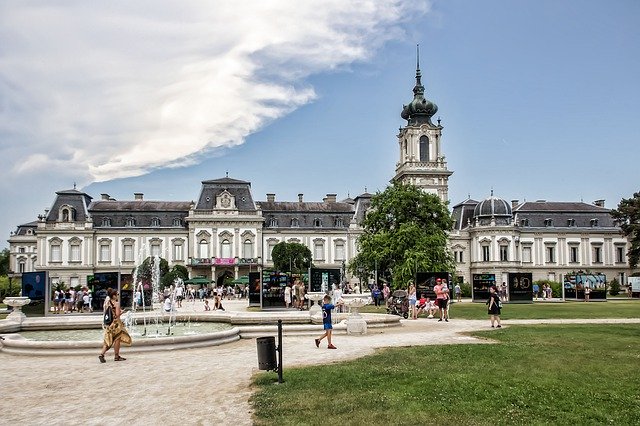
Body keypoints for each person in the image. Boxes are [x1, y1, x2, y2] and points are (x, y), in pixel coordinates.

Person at [99, 288, 132, 363]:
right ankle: (116, 356)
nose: (118, 296)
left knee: (108, 340)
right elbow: (117, 315)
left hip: (109, 324)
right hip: (116, 324)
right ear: (113, 296)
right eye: (117, 294)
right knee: (117, 339)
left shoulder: (107, 302)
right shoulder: (116, 303)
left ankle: (102, 354)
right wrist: (122, 312)